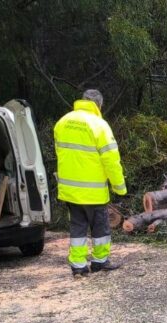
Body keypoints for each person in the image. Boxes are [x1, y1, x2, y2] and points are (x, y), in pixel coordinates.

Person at [54, 89, 127, 276]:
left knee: (77, 226)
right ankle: (99, 262)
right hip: (93, 191)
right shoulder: (99, 125)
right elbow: (111, 160)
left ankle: (78, 265)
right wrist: (119, 187)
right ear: (98, 105)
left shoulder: (62, 122)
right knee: (100, 228)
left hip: (70, 190)